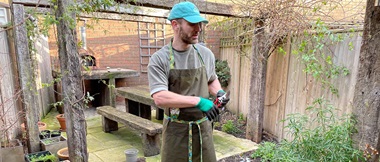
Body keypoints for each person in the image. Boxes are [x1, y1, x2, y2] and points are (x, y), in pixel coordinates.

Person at [147, 1, 230, 162]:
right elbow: (160, 97)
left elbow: (211, 80)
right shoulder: (160, 59)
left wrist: (219, 92)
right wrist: (197, 101)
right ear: (175, 24)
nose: (198, 28)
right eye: (192, 23)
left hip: (203, 128)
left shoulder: (205, 54)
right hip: (176, 131)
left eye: (199, 23)